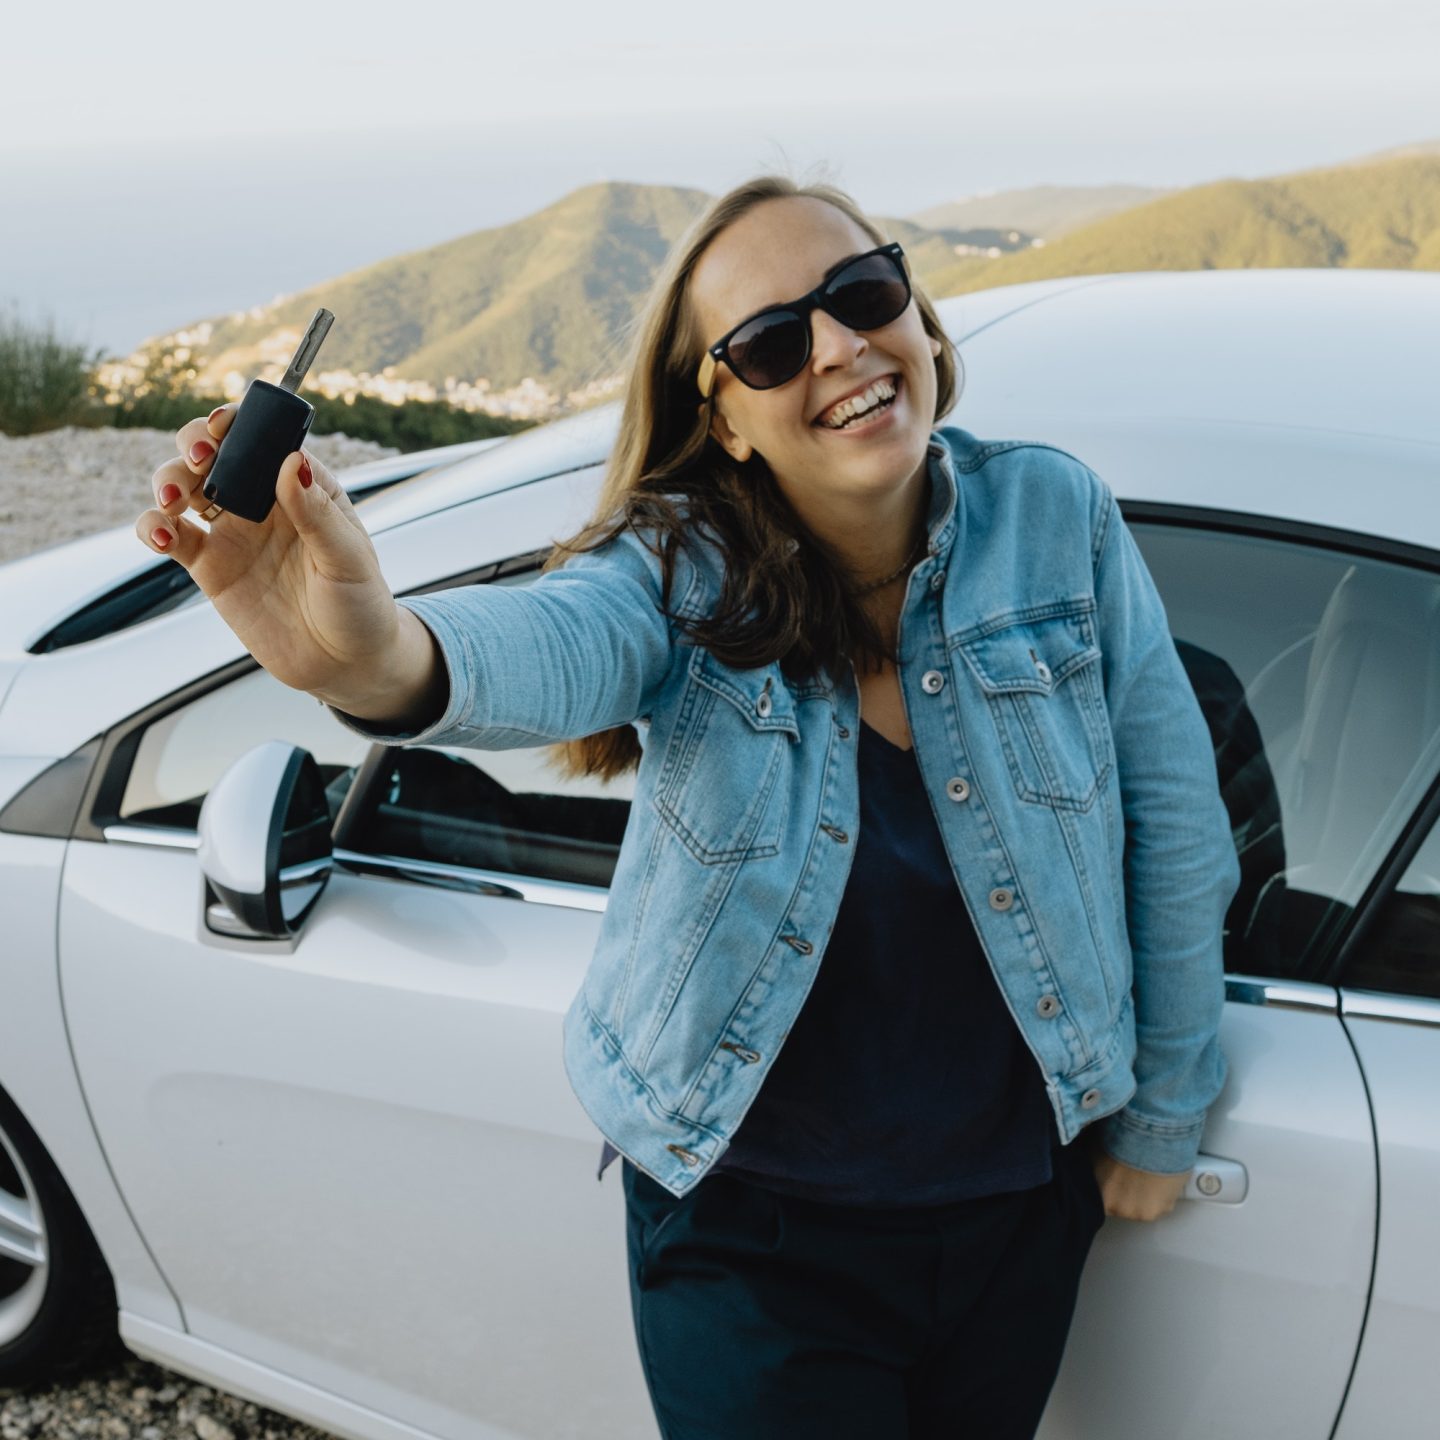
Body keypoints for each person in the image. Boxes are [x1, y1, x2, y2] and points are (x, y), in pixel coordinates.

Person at [135, 173, 1240, 1439]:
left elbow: (1170, 811)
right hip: (754, 1239)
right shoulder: (677, 572)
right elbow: (552, 638)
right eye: (772, 343)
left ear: (921, 317)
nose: (839, 347)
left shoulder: (1055, 516)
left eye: (864, 293)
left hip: (1016, 1209)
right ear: (722, 420)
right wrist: (373, 651)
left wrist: (1162, 1111)